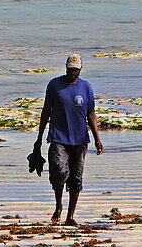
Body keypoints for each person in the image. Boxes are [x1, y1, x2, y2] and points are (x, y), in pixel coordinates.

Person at [34, 53, 103, 226]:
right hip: (58, 137)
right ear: (66, 68)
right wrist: (39, 138)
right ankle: (58, 205)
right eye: (70, 69)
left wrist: (97, 138)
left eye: (76, 70)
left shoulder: (86, 87)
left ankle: (70, 216)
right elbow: (46, 111)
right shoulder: (54, 85)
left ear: (81, 69)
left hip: (80, 140)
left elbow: (91, 114)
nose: (73, 72)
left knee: (76, 178)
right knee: (58, 170)